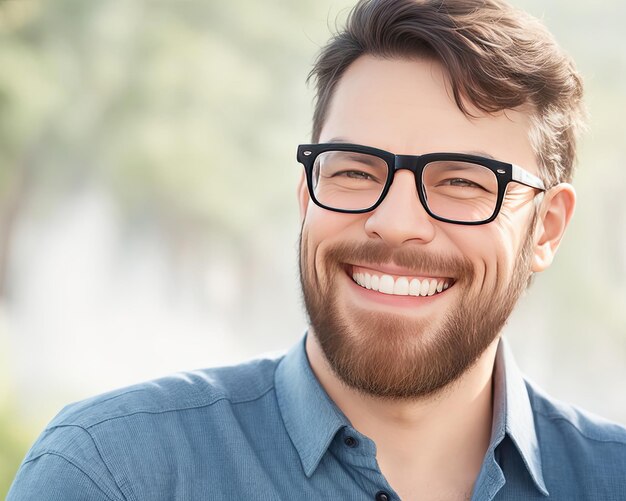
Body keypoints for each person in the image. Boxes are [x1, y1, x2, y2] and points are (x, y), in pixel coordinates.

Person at [8, 0, 626, 499]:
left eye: (462, 181)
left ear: (544, 228)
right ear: (307, 194)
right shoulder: (114, 475)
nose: (393, 222)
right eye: (356, 170)